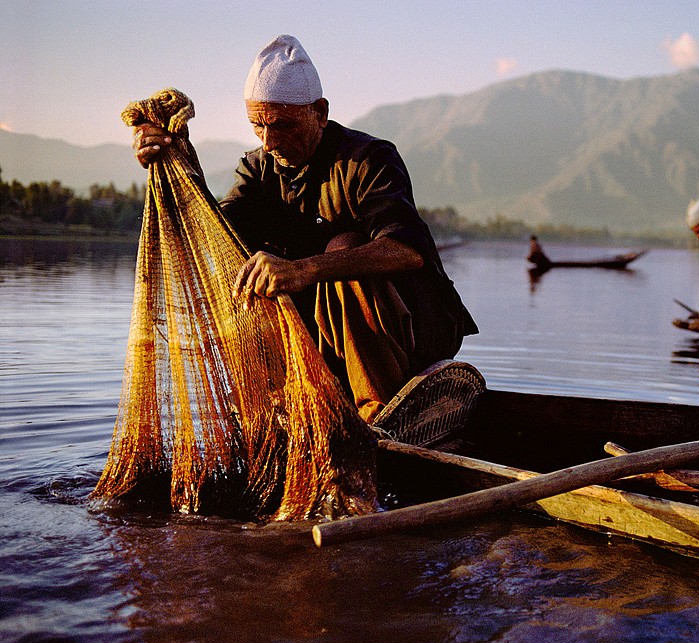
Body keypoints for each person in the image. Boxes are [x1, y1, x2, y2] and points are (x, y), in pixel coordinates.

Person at [133, 35, 477, 423]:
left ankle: (375, 414)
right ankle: (278, 402)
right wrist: (178, 165)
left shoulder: (368, 159)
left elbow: (407, 250)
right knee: (249, 271)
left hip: (417, 330)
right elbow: (216, 233)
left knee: (345, 247)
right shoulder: (258, 167)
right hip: (326, 337)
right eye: (257, 125)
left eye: (281, 125)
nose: (269, 140)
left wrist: (303, 270)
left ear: (320, 112)